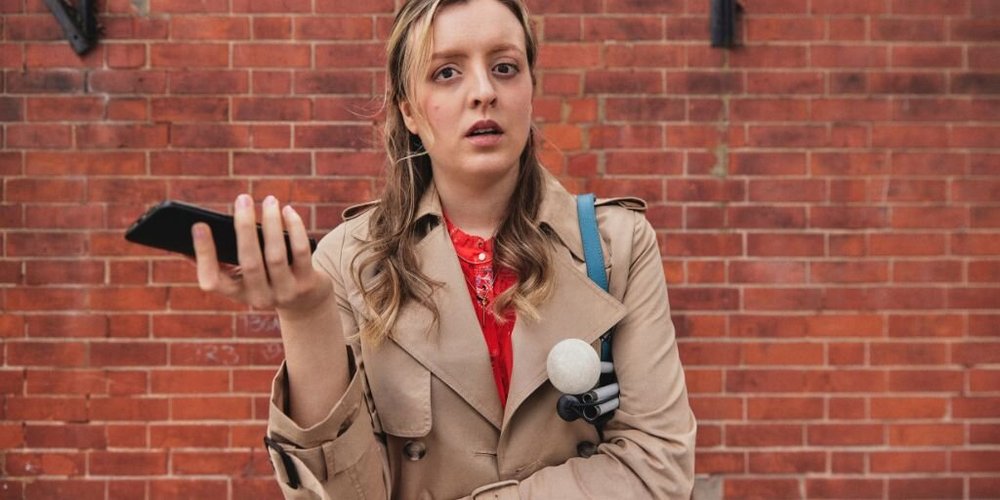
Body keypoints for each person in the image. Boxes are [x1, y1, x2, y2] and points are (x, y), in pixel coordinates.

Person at [191, 0, 696, 497]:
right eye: (447, 72)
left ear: (531, 90)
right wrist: (306, 316)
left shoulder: (616, 245)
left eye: (505, 67)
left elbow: (658, 467)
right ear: (408, 110)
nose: (483, 92)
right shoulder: (349, 262)